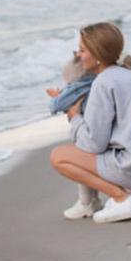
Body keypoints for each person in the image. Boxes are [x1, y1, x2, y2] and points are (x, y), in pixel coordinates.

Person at [49, 21, 131, 224]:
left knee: (59, 156)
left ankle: (120, 199)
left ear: (97, 53)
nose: (77, 56)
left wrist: (74, 115)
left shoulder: (104, 82)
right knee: (106, 137)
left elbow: (92, 144)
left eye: (82, 50)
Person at [46, 52, 99, 220]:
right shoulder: (95, 81)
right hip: (93, 131)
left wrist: (57, 96)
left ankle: (85, 203)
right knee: (89, 164)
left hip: (84, 132)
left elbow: (56, 106)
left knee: (80, 164)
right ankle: (94, 200)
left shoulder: (78, 86)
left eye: (67, 83)